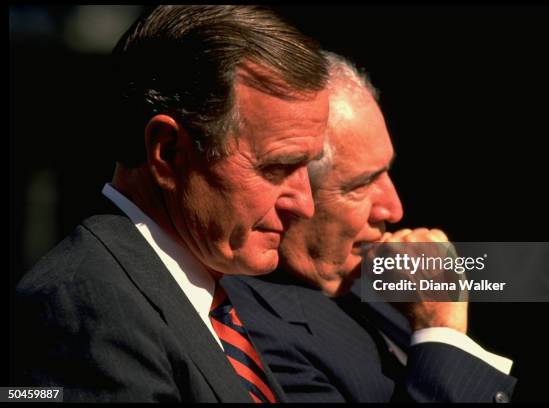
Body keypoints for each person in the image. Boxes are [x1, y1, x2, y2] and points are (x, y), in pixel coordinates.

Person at [12, 5, 329, 402]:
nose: (305, 204)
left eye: (308, 168)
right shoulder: (87, 306)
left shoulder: (224, 287)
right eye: (277, 167)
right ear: (169, 152)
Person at [221, 52, 517, 402]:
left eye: (386, 172)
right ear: (288, 190)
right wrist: (441, 330)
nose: (393, 209)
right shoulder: (251, 336)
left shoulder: (375, 284)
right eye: (360, 185)